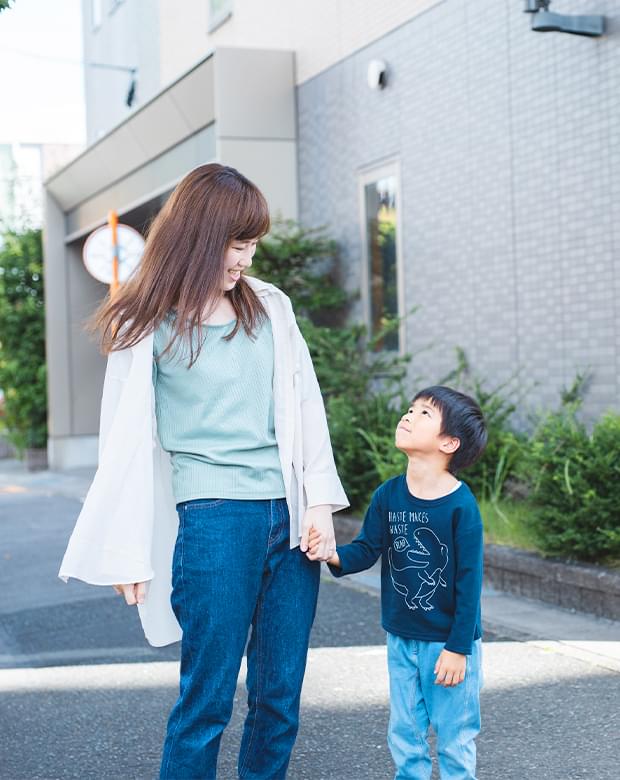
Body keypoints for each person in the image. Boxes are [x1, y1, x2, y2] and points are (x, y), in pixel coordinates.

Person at [59, 163, 349, 779]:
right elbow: (124, 445)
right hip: (213, 519)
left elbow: (306, 405)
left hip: (292, 522)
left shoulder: (270, 306)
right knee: (207, 701)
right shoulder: (146, 322)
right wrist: (125, 549)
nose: (247, 258)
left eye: (252, 245)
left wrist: (320, 504)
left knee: (280, 698)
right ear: (198, 236)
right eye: (238, 245)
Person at [309, 385, 487, 780]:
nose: (408, 415)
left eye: (425, 414)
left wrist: (458, 648)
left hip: (449, 643)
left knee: (454, 735)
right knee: (405, 732)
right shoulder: (389, 495)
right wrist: (332, 554)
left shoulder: (461, 506)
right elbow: (368, 548)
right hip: (401, 638)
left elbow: (469, 582)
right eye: (410, 408)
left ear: (449, 442)